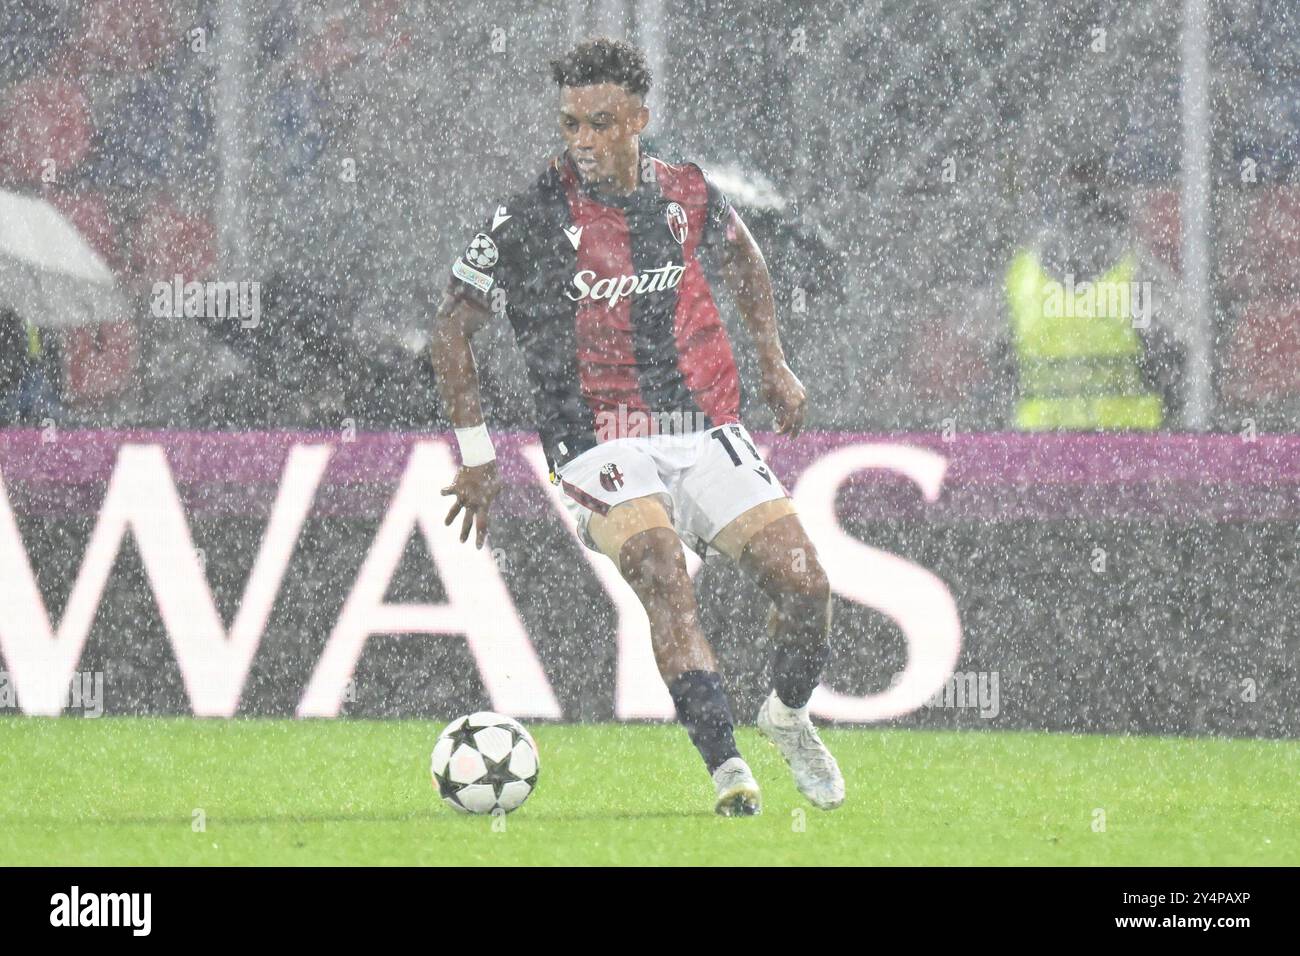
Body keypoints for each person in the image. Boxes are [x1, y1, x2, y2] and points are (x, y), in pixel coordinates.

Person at [431, 38, 842, 816]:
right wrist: (478, 456)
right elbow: (451, 325)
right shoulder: (529, 215)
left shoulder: (685, 191)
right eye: (569, 124)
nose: (580, 140)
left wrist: (774, 364)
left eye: (599, 122)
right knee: (660, 569)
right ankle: (728, 771)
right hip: (596, 436)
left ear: (638, 121)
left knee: (806, 585)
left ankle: (786, 714)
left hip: (700, 421)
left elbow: (745, 259)